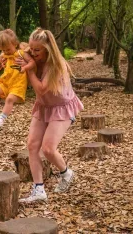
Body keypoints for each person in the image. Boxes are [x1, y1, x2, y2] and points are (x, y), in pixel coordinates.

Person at [16, 28, 84, 203]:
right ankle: (38, 190)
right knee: (32, 145)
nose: (33, 52)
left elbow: (40, 88)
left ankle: (66, 173)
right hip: (44, 106)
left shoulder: (57, 65)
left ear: (48, 48)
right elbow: (19, 50)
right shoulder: (32, 55)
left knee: (48, 148)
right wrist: (23, 60)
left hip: (62, 107)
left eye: (37, 50)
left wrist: (29, 69)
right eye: (32, 49)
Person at [0, 29, 35, 127]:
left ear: (15, 44)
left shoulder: (21, 53)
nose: (6, 52)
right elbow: (1, 66)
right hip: (6, 81)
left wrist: (24, 67)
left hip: (18, 83)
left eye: (8, 49)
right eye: (3, 50)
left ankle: (2, 118)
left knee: (10, 99)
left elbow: (32, 63)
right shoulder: (3, 55)